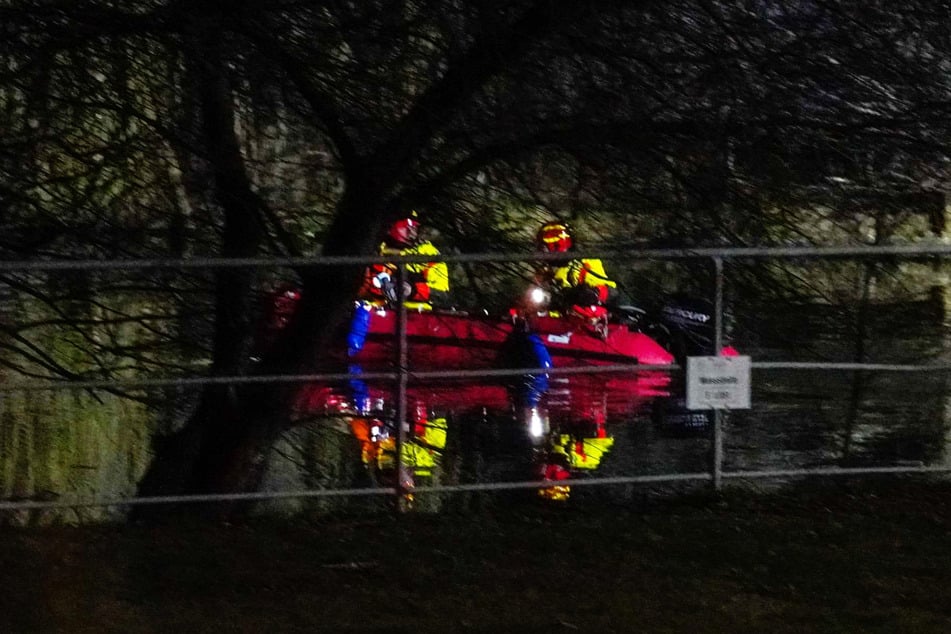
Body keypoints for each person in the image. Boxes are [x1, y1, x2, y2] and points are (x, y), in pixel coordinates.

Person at [361, 211, 449, 310]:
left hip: (414, 314)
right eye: (410, 226)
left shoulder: (428, 254)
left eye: (415, 227)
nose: (413, 232)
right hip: (371, 311)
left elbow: (441, 295)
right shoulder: (372, 249)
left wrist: (411, 290)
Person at [535, 220, 618, 319]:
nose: (553, 247)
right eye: (548, 244)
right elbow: (535, 296)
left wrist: (592, 293)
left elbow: (604, 288)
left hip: (587, 317)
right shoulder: (545, 271)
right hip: (556, 321)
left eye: (558, 242)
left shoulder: (585, 262)